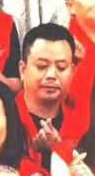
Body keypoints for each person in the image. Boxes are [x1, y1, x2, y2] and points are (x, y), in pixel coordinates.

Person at [16, 23, 80, 153]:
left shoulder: (83, 122)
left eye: (61, 67)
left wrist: (59, 149)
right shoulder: (5, 116)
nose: (51, 75)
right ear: (22, 70)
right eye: (42, 66)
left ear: (72, 72)